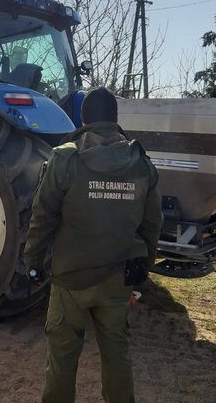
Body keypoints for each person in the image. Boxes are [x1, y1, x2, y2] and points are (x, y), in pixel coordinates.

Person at [24, 87, 163, 403]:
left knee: (62, 357)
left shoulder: (65, 159)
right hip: (117, 279)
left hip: (70, 281)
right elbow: (153, 224)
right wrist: (145, 268)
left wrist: (32, 261)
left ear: (83, 119)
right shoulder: (141, 163)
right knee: (117, 352)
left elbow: (42, 216)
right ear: (115, 119)